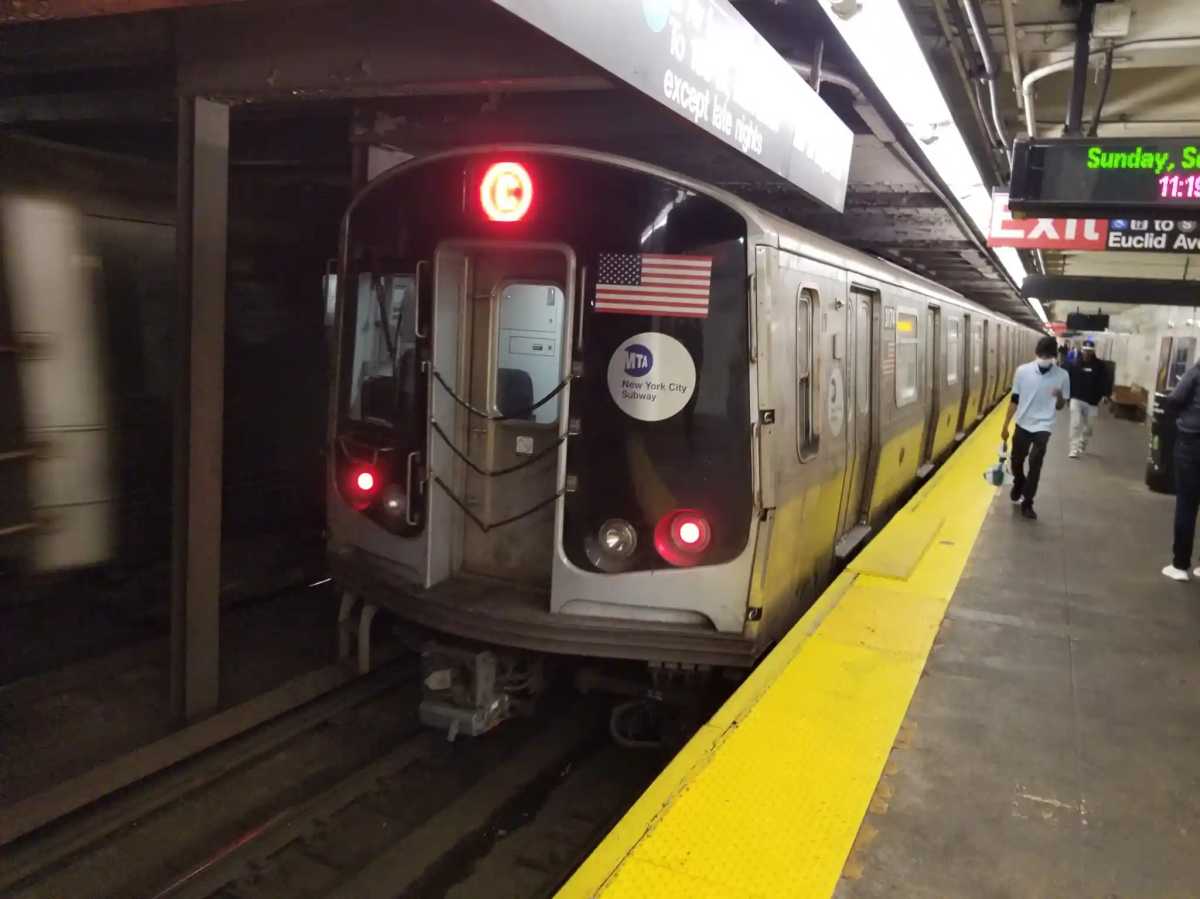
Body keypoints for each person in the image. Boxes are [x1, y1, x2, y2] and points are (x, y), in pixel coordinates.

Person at [1001, 336, 1070, 520]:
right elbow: (1014, 400)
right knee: (1016, 460)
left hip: (1043, 426)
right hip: (1023, 423)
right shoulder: (1022, 371)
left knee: (1035, 463)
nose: (1044, 358)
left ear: (1054, 357)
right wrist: (1005, 425)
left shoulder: (1062, 376)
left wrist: (1059, 397)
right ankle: (1019, 481)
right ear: (1036, 353)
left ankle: (1028, 502)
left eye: (1048, 356)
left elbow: (1061, 406)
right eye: (1042, 355)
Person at [1162, 360, 1200, 581]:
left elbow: (1175, 399)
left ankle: (1180, 565)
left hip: (1192, 444)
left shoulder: (1196, 372)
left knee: (1187, 504)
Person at [1064, 338, 1111, 459]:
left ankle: (1082, 443)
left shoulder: (1100, 366)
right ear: (1082, 350)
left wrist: (1106, 394)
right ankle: (1073, 449)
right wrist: (1066, 396)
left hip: (1092, 401)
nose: (1087, 353)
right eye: (1085, 350)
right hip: (1077, 398)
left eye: (1089, 351)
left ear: (1093, 351)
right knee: (1075, 424)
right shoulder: (1074, 364)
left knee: (1089, 428)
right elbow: (1067, 380)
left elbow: (1106, 381)